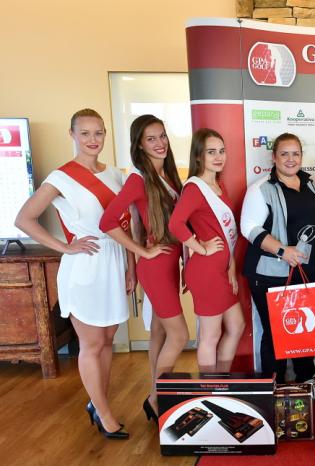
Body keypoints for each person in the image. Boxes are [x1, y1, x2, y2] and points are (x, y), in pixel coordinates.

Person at [15, 109, 133, 439]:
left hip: (113, 263)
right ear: (72, 135)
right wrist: (64, 247)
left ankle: (98, 403)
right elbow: (24, 219)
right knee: (92, 343)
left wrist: (131, 267)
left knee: (107, 340)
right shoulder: (61, 177)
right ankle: (104, 413)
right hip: (85, 267)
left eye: (98, 133)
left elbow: (125, 226)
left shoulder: (115, 174)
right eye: (85, 133)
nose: (93, 140)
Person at [99, 114, 188, 421]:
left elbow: (140, 222)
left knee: (160, 333)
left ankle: (155, 393)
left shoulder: (169, 176)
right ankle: (154, 398)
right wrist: (141, 253)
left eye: (162, 136)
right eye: (151, 139)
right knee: (180, 336)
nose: (160, 143)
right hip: (157, 266)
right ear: (139, 144)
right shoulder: (138, 179)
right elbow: (107, 221)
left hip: (169, 264)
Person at [241, 133, 315, 399]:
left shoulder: (310, 185)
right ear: (274, 157)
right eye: (284, 154)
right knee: (275, 333)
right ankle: (274, 387)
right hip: (271, 274)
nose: (290, 159)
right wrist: (283, 251)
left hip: (307, 272)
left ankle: (306, 380)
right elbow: (249, 228)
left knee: (304, 329)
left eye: (295, 154)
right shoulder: (261, 188)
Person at [169, 128, 245, 372]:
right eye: (211, 152)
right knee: (210, 335)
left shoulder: (219, 185)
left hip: (222, 270)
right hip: (206, 272)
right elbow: (175, 224)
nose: (218, 157)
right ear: (198, 156)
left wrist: (231, 267)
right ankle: (210, 387)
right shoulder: (194, 188)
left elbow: (225, 233)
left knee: (236, 326)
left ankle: (220, 381)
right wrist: (200, 248)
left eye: (221, 151)